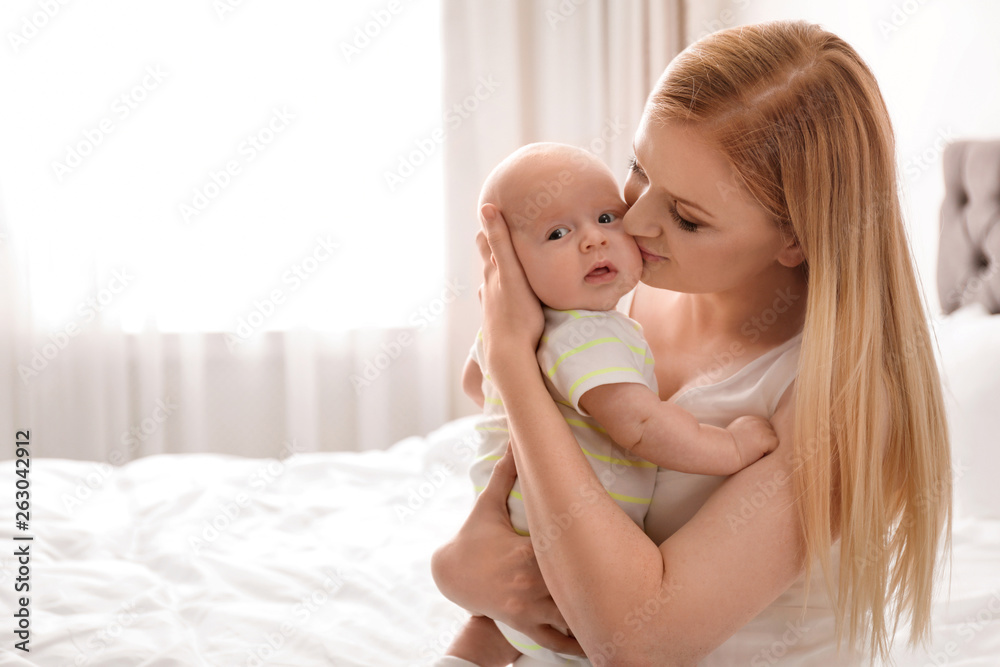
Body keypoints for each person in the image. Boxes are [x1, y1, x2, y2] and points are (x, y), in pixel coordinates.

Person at [432, 20, 952, 666]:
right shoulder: (631, 290)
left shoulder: (841, 395)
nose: (637, 220)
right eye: (638, 168)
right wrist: (454, 569)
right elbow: (507, 514)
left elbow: (636, 642)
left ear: (794, 240)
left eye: (687, 216)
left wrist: (512, 360)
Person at [456, 142, 779, 665]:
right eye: (557, 233)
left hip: (519, 526)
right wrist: (730, 447)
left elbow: (476, 383)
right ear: (508, 263)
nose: (594, 239)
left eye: (606, 217)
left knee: (491, 631)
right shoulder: (588, 335)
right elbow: (641, 425)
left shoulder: (511, 328)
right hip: (554, 546)